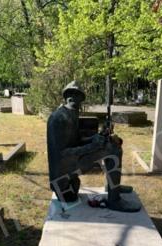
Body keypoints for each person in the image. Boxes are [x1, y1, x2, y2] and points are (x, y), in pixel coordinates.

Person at [47, 81, 141, 212]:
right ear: (68, 97)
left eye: (80, 100)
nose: (79, 104)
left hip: (71, 163)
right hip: (63, 175)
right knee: (113, 151)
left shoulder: (70, 113)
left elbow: (76, 140)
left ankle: (112, 187)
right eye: (77, 98)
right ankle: (114, 201)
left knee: (113, 145)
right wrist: (92, 146)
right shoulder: (58, 118)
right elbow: (63, 153)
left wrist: (95, 138)